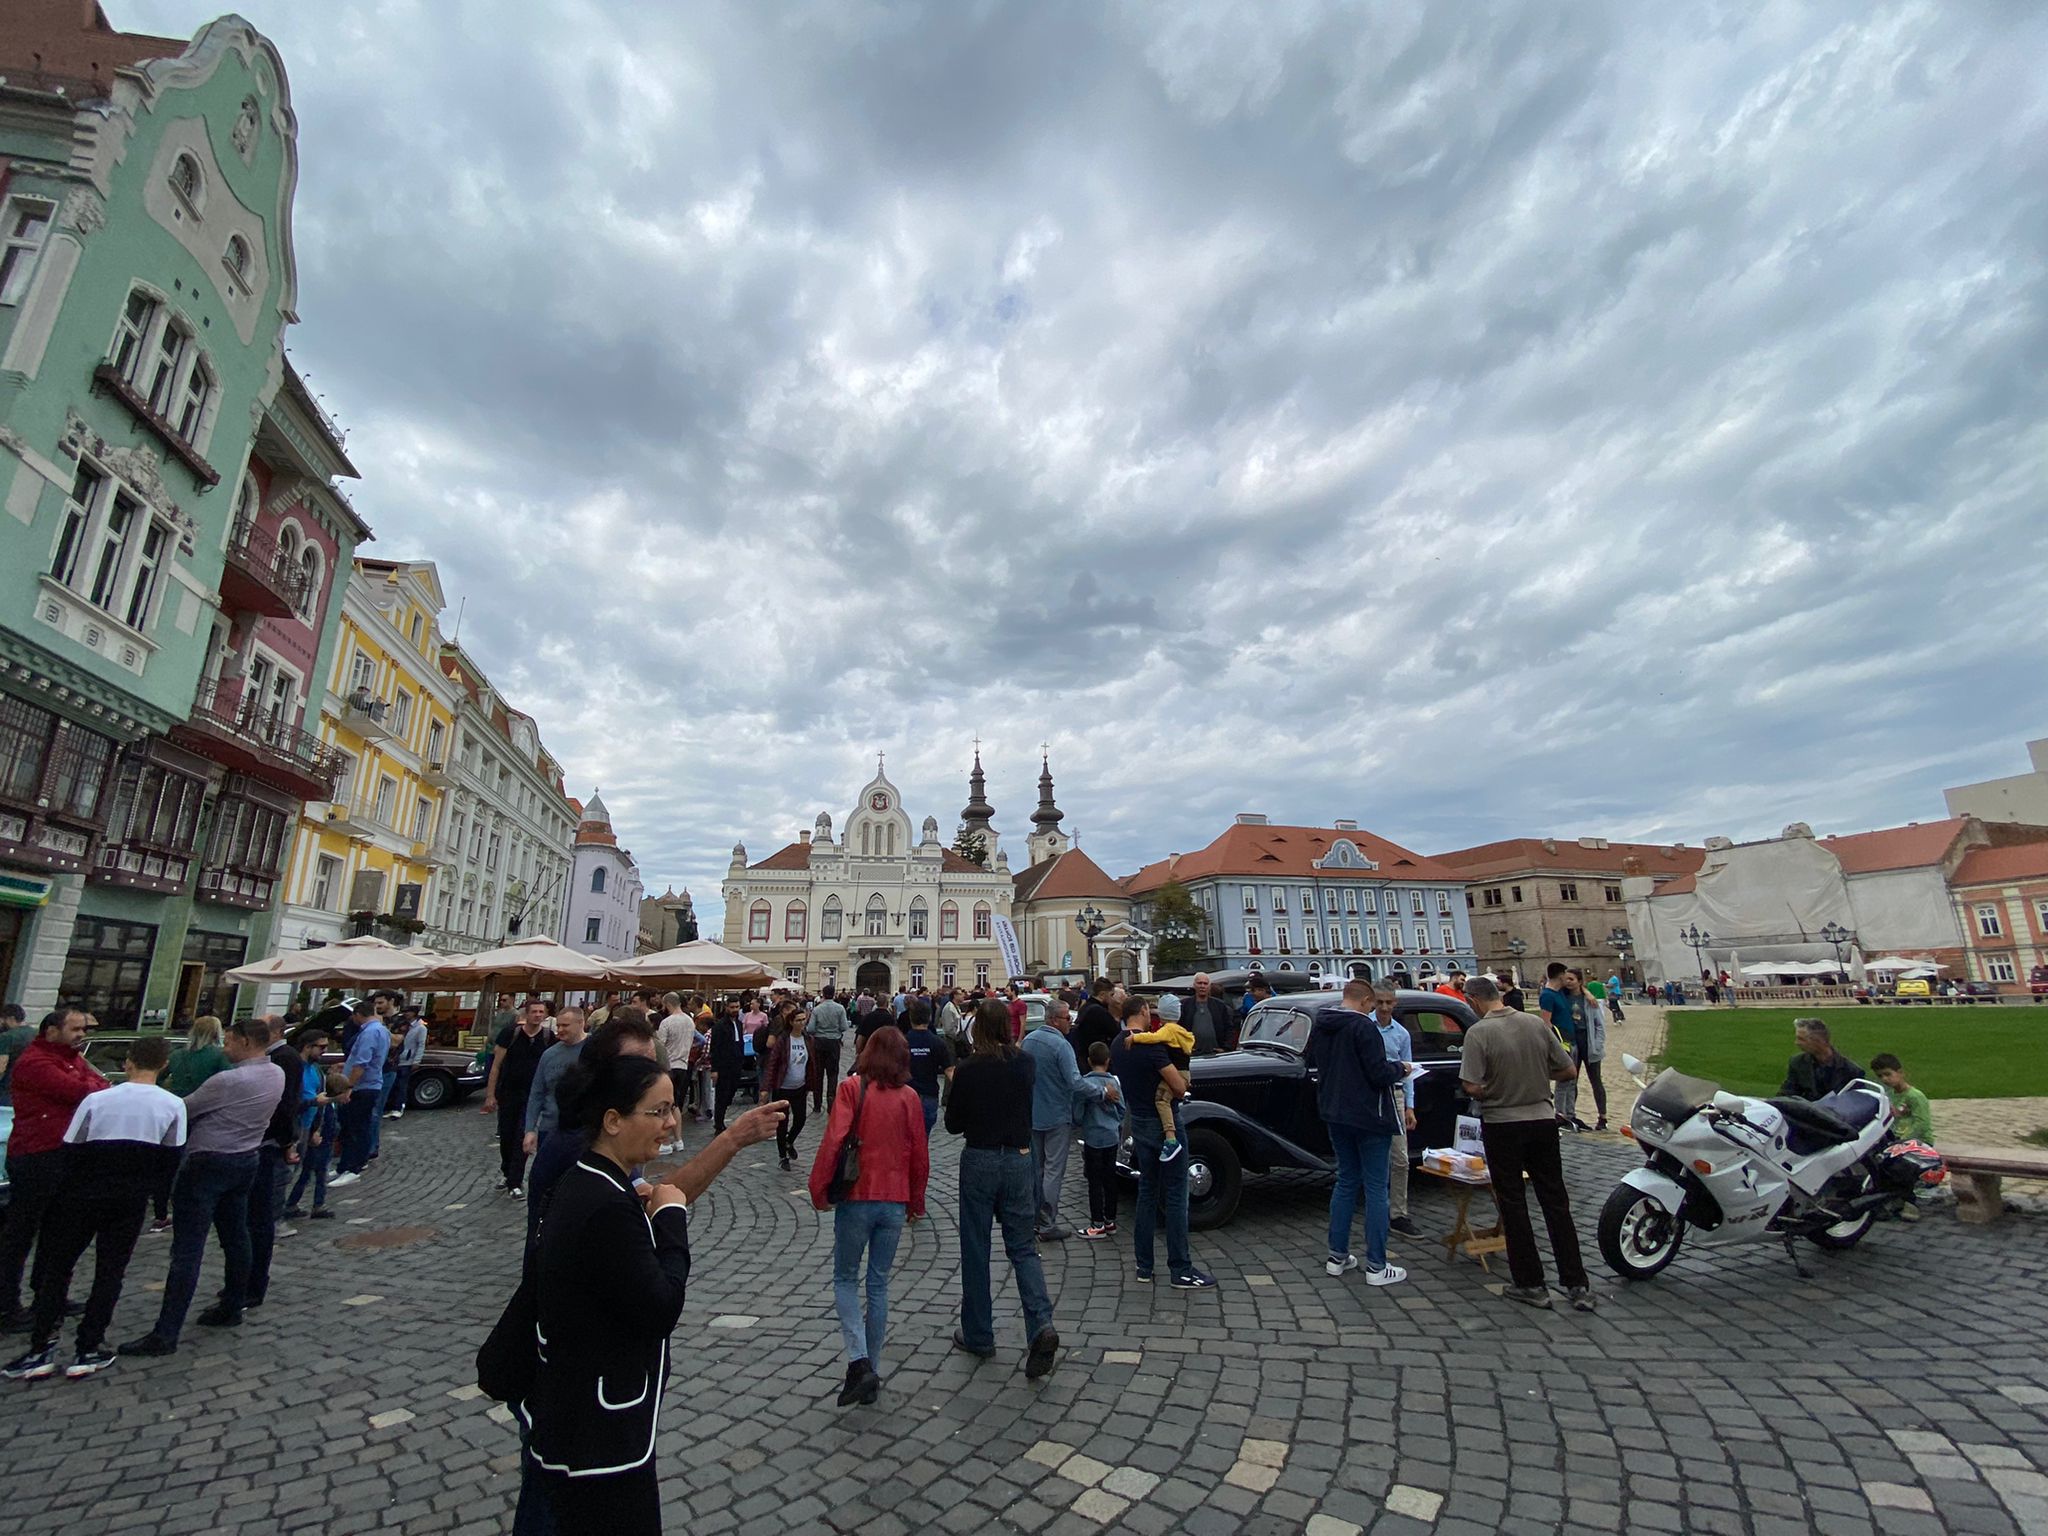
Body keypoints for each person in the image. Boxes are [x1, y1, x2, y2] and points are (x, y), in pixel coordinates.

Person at [521, 1055, 690, 1533]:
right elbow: (660, 1307)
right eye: (658, 1111)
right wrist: (670, 1216)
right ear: (613, 1121)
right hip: (602, 1436)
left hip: (575, 1421)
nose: (671, 1123)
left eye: (672, 1109)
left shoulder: (589, 1181)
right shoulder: (605, 1202)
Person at [1, 1035, 184, 1380]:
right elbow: (170, 1160)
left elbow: (71, 1147)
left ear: (128, 1061)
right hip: (129, 1197)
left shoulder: (97, 1099)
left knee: (59, 1267)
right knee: (110, 1272)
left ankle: (42, 1346)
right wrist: (160, 1206)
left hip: (82, 1192)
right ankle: (89, 1345)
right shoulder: (173, 1105)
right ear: (164, 1065)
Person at [121, 1018, 285, 1354]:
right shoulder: (275, 1073)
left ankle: (166, 1333)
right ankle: (232, 1304)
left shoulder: (228, 1080)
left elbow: (183, 1108)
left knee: (188, 1249)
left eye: (229, 1040)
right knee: (236, 1235)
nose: (224, 1046)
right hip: (245, 1159)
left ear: (244, 1041)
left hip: (208, 1162)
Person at [809, 1025, 929, 1407]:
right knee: (878, 1285)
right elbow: (920, 1154)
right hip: (893, 1201)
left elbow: (832, 1142)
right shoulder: (909, 1097)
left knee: (845, 1278)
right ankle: (871, 1369)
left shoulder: (851, 1089)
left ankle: (859, 1361)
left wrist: (819, 1189)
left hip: (857, 1196)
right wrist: (916, 1201)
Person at [1459, 976, 1592, 1311]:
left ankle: (1531, 1283)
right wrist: (1535, 1078)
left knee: (1514, 1204)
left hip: (1503, 1123)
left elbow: (1471, 1086)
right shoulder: (1533, 1023)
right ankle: (1577, 1284)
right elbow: (1568, 1070)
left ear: (1473, 1000)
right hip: (1542, 1120)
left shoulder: (1479, 1033)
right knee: (1555, 1201)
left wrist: (1497, 1088)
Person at [945, 1000, 1059, 1377]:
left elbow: (953, 1124)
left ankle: (979, 1333)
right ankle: (1040, 1324)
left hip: (979, 1158)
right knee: (1023, 1248)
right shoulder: (1024, 1063)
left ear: (977, 1028)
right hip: (1018, 1157)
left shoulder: (967, 1070)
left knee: (976, 1247)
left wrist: (956, 1087)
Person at [0, 1008, 108, 1332]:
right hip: (36, 1154)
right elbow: (83, 1091)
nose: (81, 1035)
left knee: (58, 1230)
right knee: (20, 1233)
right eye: (75, 1029)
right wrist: (86, 1082)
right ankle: (6, 1304)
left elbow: (99, 1083)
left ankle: (48, 1294)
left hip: (64, 1153)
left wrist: (86, 1080)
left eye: (83, 1029)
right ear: (51, 1031)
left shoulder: (70, 1058)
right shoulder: (36, 1062)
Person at [1305, 980, 1409, 1286]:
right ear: (1365, 1001)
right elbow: (1378, 1074)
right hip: (1369, 1115)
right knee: (1377, 1187)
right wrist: (1400, 1068)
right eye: (1374, 1004)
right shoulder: (1365, 1028)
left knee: (1346, 1180)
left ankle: (1337, 1255)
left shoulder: (1323, 1024)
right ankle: (1376, 1264)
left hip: (1335, 1112)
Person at [1111, 996, 1215, 1289]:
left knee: (1147, 1192)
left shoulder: (1118, 1044)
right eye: (1149, 1012)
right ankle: (1181, 1268)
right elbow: (1179, 1087)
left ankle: (1144, 1265)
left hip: (1138, 1120)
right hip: (1163, 1123)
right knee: (1177, 1193)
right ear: (1143, 1011)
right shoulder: (1151, 1046)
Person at [245, 1017, 307, 1309]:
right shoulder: (281, 1057)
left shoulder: (283, 1058)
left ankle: (253, 1279)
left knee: (263, 1209)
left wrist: (287, 1140)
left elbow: (284, 1103)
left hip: (271, 1141)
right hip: (270, 1140)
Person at [1020, 998, 1084, 1239]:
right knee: (1054, 1171)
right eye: (1068, 1018)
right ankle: (1047, 1224)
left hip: (1033, 1113)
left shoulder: (1029, 1040)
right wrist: (1101, 1091)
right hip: (1057, 1115)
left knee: (1036, 1170)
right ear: (1055, 1020)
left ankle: (1034, 1218)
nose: (1070, 1022)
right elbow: (1075, 1082)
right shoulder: (1061, 1045)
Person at [522, 1007, 589, 1234]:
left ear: (581, 1023)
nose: (559, 1030)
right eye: (557, 1025)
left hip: (583, 1130)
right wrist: (530, 1129)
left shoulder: (593, 1051)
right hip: (550, 1129)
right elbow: (537, 1092)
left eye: (565, 1026)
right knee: (546, 1187)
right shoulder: (549, 1054)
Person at [1367, 983, 1422, 1239]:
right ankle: (1374, 1208)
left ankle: (1398, 1213)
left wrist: (1410, 1105)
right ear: (1372, 1003)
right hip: (1368, 1096)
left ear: (1395, 1004)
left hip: (1395, 1094)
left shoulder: (1401, 1034)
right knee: (1371, 1154)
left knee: (1400, 1158)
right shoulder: (1364, 1027)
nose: (1384, 1008)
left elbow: (1409, 1071)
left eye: (1389, 1003)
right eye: (1380, 1003)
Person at [482, 999, 552, 1197]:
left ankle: (515, 1181)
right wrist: (490, 1095)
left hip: (533, 1096)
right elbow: (496, 1065)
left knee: (523, 1134)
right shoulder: (511, 1034)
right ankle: (506, 1172)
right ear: (526, 1014)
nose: (538, 1015)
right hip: (509, 1092)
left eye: (541, 1012)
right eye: (534, 1012)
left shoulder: (548, 1036)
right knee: (506, 1135)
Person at [1125, 995, 1193, 1163]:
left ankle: (1170, 1138)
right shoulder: (1180, 1030)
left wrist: (1135, 1037)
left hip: (1177, 1074)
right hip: (1184, 1072)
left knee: (1161, 1100)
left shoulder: (1168, 1030)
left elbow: (1153, 1038)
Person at [328, 1001, 388, 1187]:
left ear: (358, 1014)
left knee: (355, 1128)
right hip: (370, 1084)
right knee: (352, 1127)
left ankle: (353, 1167)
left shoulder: (369, 1032)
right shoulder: (381, 1030)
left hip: (363, 1087)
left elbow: (361, 1063)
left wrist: (348, 1086)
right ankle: (345, 1165)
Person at [1074, 1042, 1126, 1240]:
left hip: (1092, 1137)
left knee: (1094, 1181)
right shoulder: (1114, 1082)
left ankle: (1096, 1223)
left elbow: (1077, 1114)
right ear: (1108, 1061)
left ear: (1088, 1061)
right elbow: (1122, 1110)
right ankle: (1110, 1220)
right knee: (1110, 1178)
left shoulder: (1084, 1084)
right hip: (1111, 1136)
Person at [285, 1067, 348, 1222]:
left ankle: (308, 1204)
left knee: (313, 1174)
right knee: (311, 1174)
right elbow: (319, 1119)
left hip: (325, 1143)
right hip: (320, 1143)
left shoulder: (330, 1106)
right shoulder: (325, 1107)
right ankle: (299, 1204)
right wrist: (315, 1132)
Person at [760, 1005, 816, 1170]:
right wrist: (765, 1088)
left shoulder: (808, 1039)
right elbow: (773, 1064)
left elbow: (812, 1063)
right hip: (783, 1087)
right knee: (782, 1123)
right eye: (798, 1020)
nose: (801, 1023)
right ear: (791, 1022)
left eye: (803, 1020)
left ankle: (789, 1141)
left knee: (800, 1119)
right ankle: (782, 1156)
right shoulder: (783, 1040)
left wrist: (813, 1083)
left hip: (800, 1087)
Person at [1779, 1019, 1865, 1101]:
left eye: (1801, 1039)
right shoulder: (1797, 1063)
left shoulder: (1852, 1071)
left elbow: (1856, 1104)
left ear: (1819, 1041)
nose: (1797, 1043)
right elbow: (1786, 1093)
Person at [902, 999, 952, 1134]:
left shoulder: (902, 1042)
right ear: (929, 1018)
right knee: (923, 1137)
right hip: (929, 1094)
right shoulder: (937, 1042)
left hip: (905, 1094)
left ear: (911, 1018)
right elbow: (949, 1070)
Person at [1573, 969, 1610, 1130]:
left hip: (1589, 1043)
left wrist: (1598, 1044)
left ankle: (1603, 1117)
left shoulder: (1589, 1000)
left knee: (1596, 1080)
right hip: (1573, 1043)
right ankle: (1569, 1114)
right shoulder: (1562, 996)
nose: (1567, 982)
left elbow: (1599, 1025)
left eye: (1571, 979)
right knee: (1570, 1081)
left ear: (1579, 981)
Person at [163, 1015, 230, 1097]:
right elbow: (229, 1082)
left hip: (178, 1101)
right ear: (216, 1033)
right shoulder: (221, 1055)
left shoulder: (176, 1054)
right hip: (206, 1102)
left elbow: (157, 1078)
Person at [1871, 1053, 1933, 1141]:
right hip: (1898, 1138)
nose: (1884, 1079)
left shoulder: (1915, 1096)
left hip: (1919, 1141)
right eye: (1880, 1076)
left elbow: (1922, 1124)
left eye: (1888, 1074)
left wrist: (1903, 1140)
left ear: (1900, 1073)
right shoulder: (1889, 1094)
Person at [808, 985, 850, 1113]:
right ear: (834, 994)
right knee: (832, 1074)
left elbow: (810, 1029)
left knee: (818, 1073)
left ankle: (817, 1104)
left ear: (823, 994)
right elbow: (844, 1027)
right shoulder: (840, 1008)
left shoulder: (817, 1009)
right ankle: (831, 1103)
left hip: (819, 1043)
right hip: (833, 1043)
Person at [384, 1006, 428, 1121]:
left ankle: (399, 1108)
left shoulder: (420, 1028)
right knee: (394, 1085)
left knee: (401, 1085)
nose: (406, 1014)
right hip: (396, 1059)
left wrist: (416, 1061)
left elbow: (421, 1045)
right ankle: (392, 1108)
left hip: (407, 1060)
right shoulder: (402, 1024)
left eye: (408, 1012)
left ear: (414, 1013)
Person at [708, 998, 745, 1132]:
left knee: (731, 1093)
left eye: (737, 1007)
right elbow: (715, 1048)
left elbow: (740, 1043)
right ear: (726, 1008)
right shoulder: (719, 1026)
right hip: (723, 1065)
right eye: (732, 1007)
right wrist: (715, 1069)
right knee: (722, 1095)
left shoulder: (739, 1024)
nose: (735, 1009)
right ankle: (719, 1123)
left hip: (736, 1064)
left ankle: (721, 1119)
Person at [1181, 973, 1238, 1056]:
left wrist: (1225, 1048)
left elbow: (1229, 1028)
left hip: (1215, 1054)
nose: (1202, 986)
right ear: (1194, 985)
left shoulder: (1220, 1006)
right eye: (1199, 983)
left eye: (1205, 983)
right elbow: (1179, 1029)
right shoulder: (1184, 1005)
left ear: (1209, 986)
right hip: (1191, 1054)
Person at [1068, 977, 1119, 1068]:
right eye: (1111, 995)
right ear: (1102, 994)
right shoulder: (1099, 1012)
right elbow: (1116, 1033)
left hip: (1084, 1058)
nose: (1112, 999)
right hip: (1097, 1060)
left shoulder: (1085, 1008)